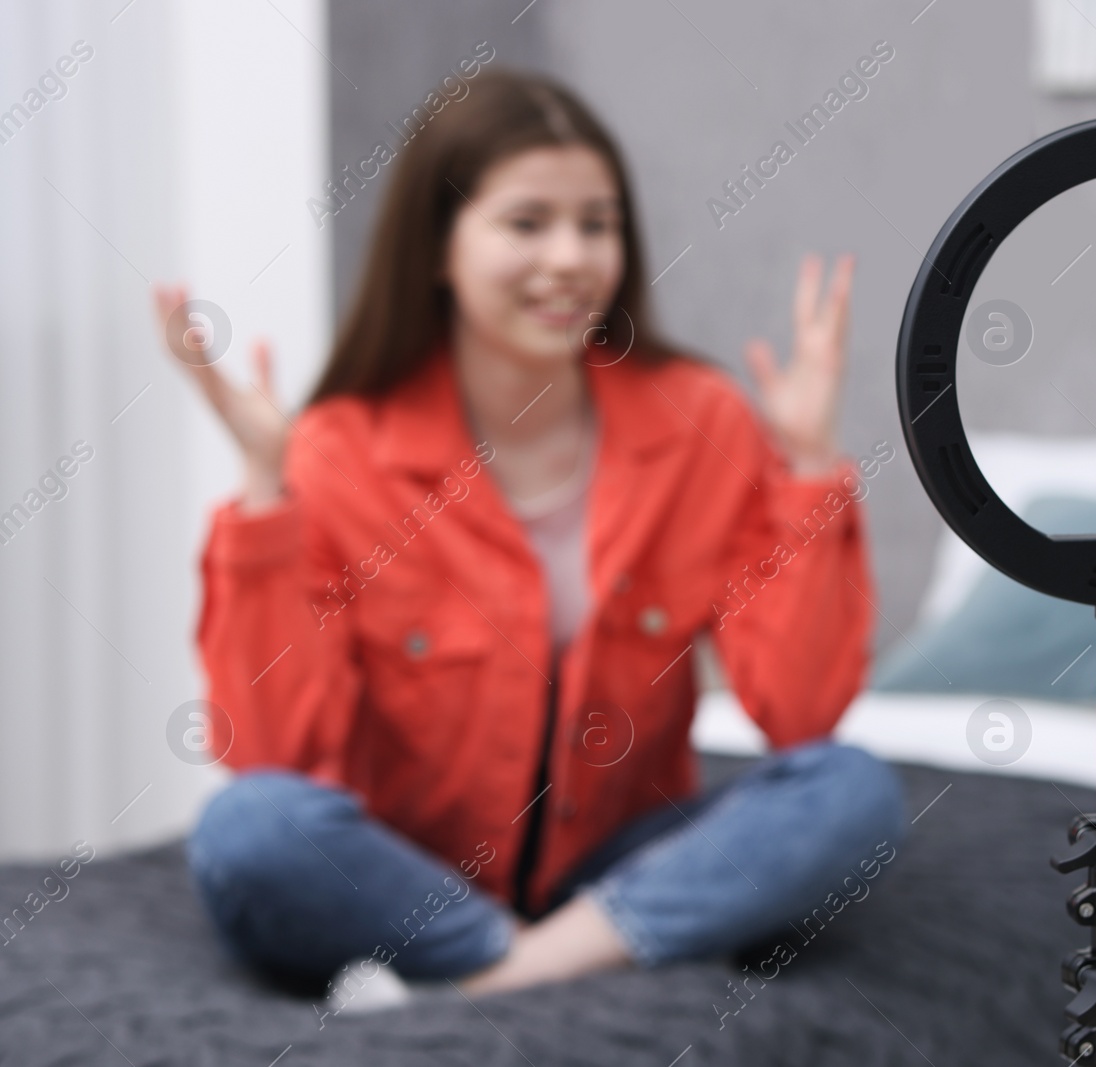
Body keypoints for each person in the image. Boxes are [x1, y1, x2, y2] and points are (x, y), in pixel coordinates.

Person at [151, 70, 906, 1001]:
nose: (570, 258)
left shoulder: (698, 418)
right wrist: (268, 490)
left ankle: (505, 977)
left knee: (851, 790)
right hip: (402, 878)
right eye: (526, 223)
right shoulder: (342, 445)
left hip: (618, 864)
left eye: (597, 223)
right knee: (248, 826)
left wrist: (806, 470)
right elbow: (269, 748)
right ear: (437, 246)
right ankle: (543, 957)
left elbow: (800, 712)